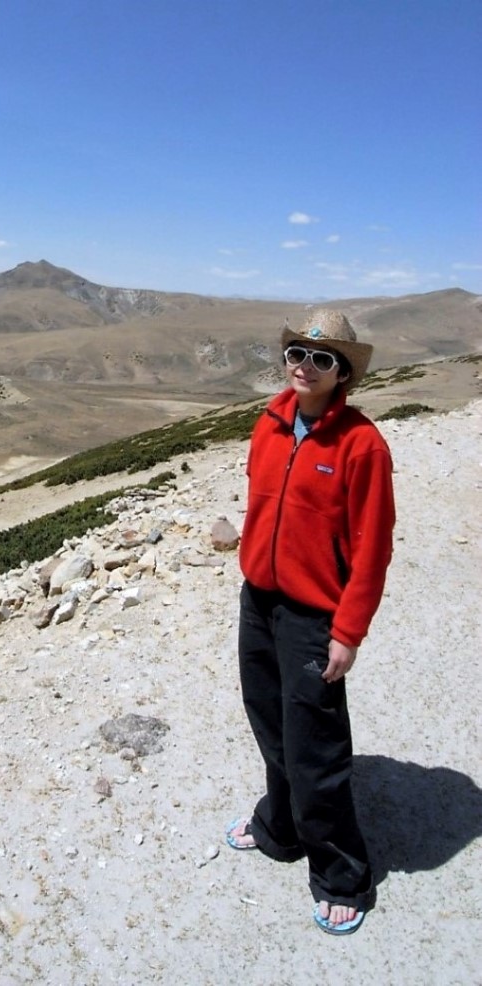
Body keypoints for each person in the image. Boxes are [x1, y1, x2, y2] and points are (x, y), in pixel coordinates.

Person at [226, 309, 396, 936]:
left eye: (322, 358)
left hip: (314, 614)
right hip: (258, 599)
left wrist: (348, 632)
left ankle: (341, 874)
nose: (305, 365)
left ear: (343, 371)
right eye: (298, 351)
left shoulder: (362, 445)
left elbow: (372, 546)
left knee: (315, 746)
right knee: (268, 719)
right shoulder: (268, 424)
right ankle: (281, 826)